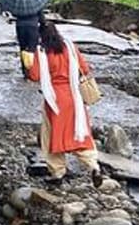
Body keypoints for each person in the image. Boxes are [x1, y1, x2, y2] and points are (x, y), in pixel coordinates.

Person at [25, 20, 103, 187]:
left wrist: (28, 62)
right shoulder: (70, 47)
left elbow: (35, 76)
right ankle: (94, 166)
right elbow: (85, 69)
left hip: (54, 100)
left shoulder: (42, 52)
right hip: (74, 98)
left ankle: (57, 172)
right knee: (80, 134)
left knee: (52, 136)